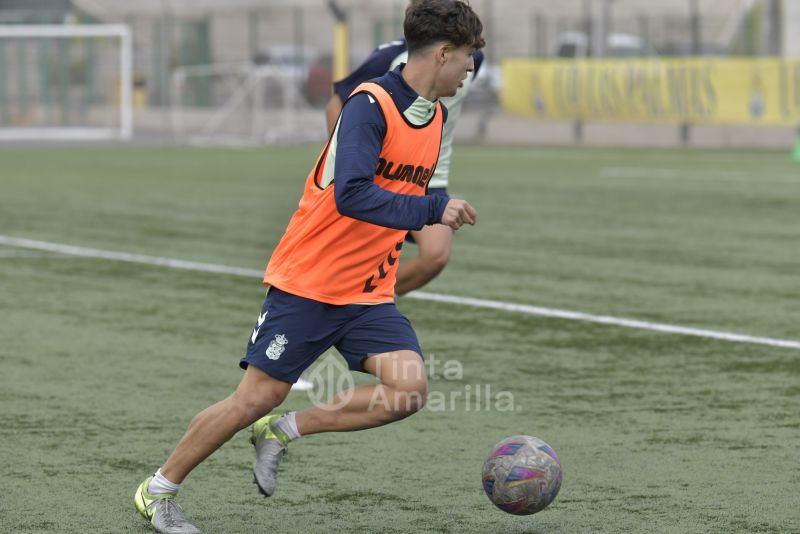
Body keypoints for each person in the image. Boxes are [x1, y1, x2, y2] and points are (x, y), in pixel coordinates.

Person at [132, 1, 485, 532]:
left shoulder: (432, 116)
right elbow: (353, 196)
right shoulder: (371, 104)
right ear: (442, 52)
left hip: (367, 291)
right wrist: (434, 210)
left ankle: (284, 431)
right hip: (308, 283)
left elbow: (396, 197)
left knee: (408, 391)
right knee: (255, 397)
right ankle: (157, 490)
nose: (470, 71)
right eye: (467, 58)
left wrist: (425, 227)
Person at [325, 34, 485, 297]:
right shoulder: (393, 56)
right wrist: (346, 161)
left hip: (427, 176)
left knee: (435, 255)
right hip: (381, 176)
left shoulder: (471, 56)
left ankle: (365, 301)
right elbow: (337, 102)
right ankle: (345, 302)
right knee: (353, 253)